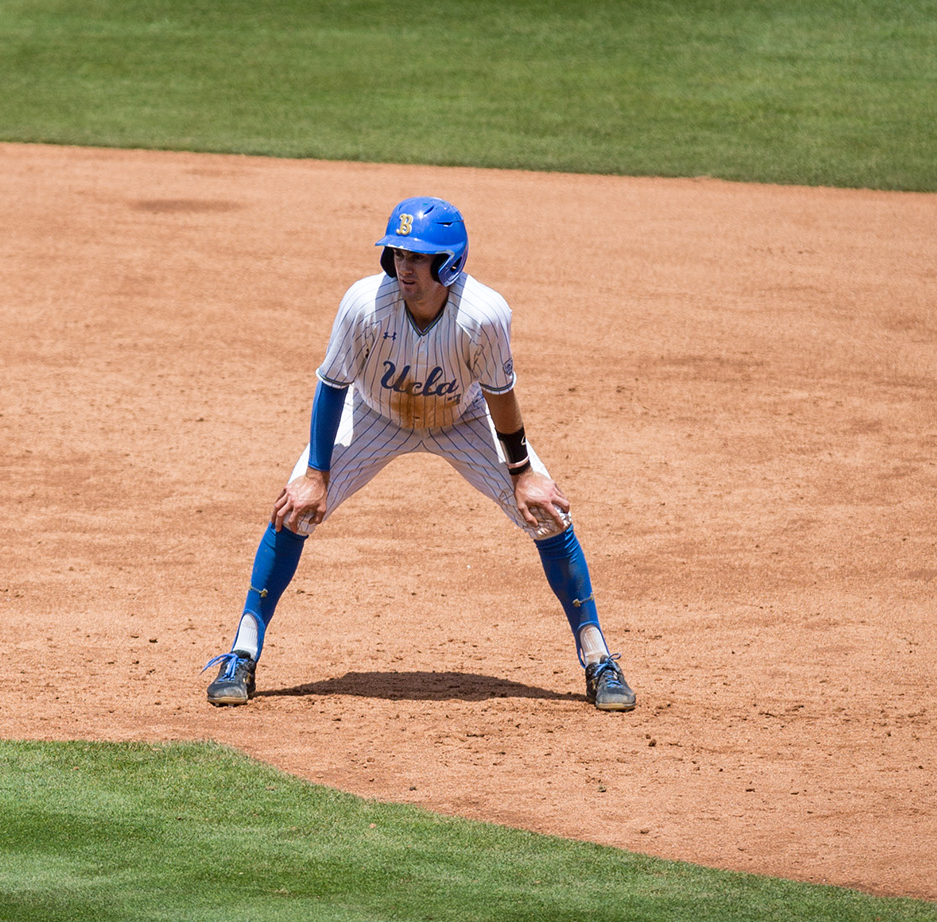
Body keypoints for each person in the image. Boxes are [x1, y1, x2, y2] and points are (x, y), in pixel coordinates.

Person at [203, 196, 636, 711]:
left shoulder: (484, 315)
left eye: (418, 257)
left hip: (464, 421)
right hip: (373, 417)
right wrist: (316, 472)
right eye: (398, 254)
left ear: (447, 263)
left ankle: (598, 659)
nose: (404, 266)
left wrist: (522, 473)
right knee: (293, 511)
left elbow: (500, 394)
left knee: (548, 516)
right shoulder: (364, 304)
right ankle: (242, 654)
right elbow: (332, 386)